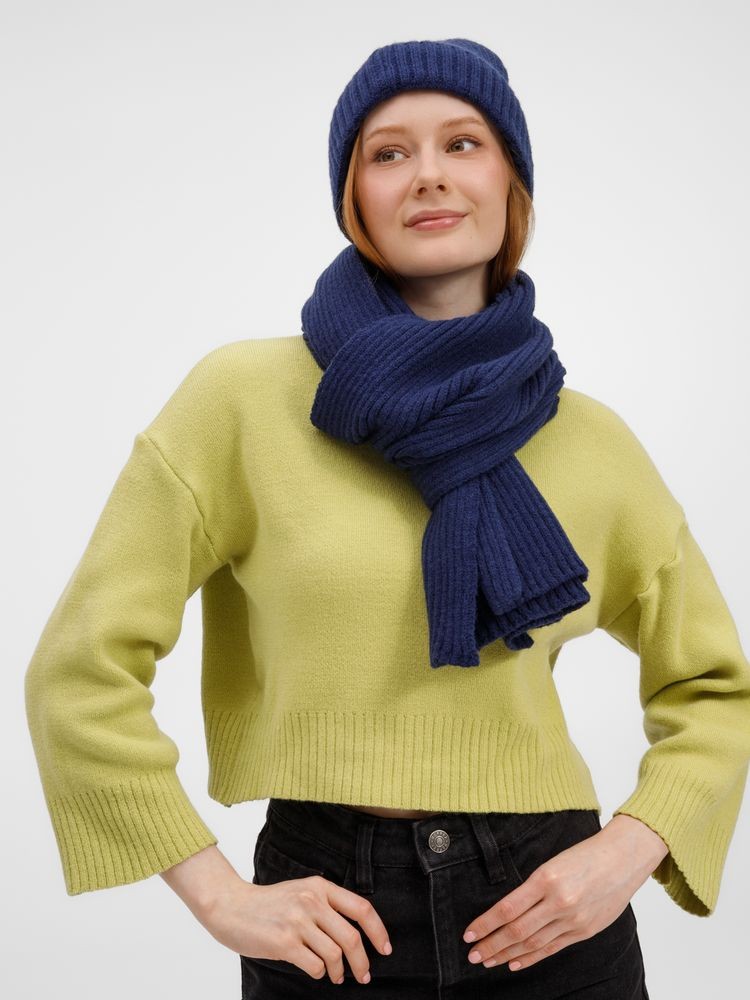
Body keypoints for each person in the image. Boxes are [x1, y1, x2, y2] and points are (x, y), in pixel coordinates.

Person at [24, 37, 750, 1000]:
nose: (429, 175)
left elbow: (716, 689)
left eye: (464, 143)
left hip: (548, 910)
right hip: (328, 917)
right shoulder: (242, 401)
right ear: (353, 197)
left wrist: (628, 849)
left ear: (511, 182)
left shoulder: (591, 439)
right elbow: (78, 671)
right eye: (389, 152)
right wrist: (217, 895)